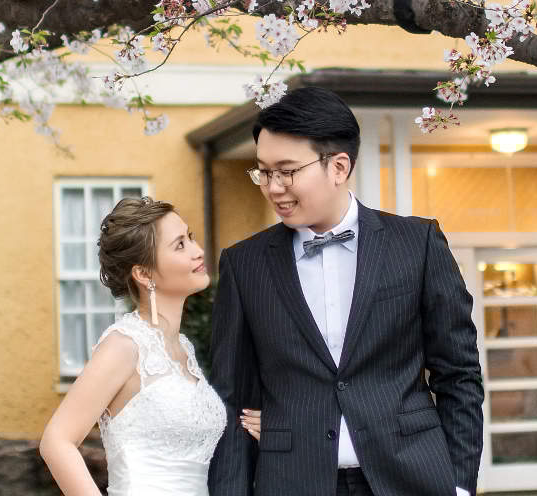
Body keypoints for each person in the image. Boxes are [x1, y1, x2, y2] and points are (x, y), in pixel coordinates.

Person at [208, 86, 484, 496]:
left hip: (412, 478)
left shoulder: (417, 243)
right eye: (264, 172)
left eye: (287, 170)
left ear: (338, 167)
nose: (273, 187)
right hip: (293, 483)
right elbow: (231, 399)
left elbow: (458, 374)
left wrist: (459, 486)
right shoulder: (244, 264)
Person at [41, 197, 261, 495]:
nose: (198, 251)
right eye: (180, 245)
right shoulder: (124, 345)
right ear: (143, 274)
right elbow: (57, 441)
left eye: (191, 238)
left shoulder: (183, 348)